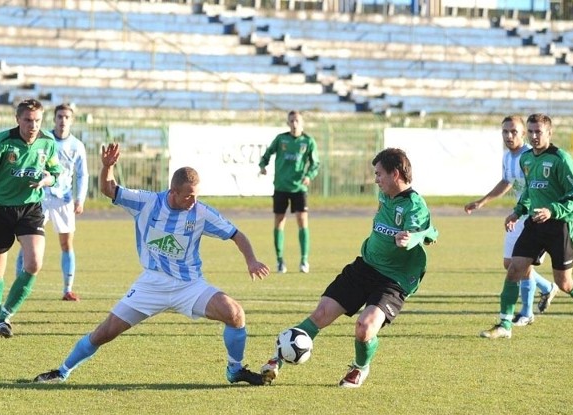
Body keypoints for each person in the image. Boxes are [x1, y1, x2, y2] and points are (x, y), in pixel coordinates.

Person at [33, 143, 270, 385]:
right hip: (151, 284)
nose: (193, 200)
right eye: (188, 195)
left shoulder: (201, 212)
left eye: (196, 194)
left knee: (235, 313)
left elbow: (236, 234)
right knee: (105, 332)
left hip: (189, 286)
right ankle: (62, 371)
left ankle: (235, 369)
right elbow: (109, 188)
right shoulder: (146, 202)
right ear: (173, 191)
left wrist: (251, 260)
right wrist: (107, 167)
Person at [261, 148, 438, 388]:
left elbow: (425, 232)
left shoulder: (414, 205)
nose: (375, 180)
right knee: (321, 314)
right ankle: (277, 359)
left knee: (364, 328)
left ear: (395, 174)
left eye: (379, 174)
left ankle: (360, 367)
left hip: (394, 280)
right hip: (364, 267)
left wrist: (410, 239)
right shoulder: (386, 195)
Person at [480, 114, 573, 339]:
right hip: (535, 224)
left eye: (539, 132)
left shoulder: (561, 159)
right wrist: (517, 212)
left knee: (564, 283)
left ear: (549, 133)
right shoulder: (526, 159)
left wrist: (552, 210)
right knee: (514, 269)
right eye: (531, 131)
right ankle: (505, 325)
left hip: (560, 227)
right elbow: (529, 192)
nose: (534, 136)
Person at [0, 98, 62, 338]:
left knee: (33, 263)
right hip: (0, 209)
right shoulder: (1, 143)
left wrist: (45, 180)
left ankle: (5, 316)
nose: (33, 125)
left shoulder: (47, 143)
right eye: (28, 120)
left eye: (37, 121)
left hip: (30, 208)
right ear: (17, 119)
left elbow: (55, 174)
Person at [465, 115, 558, 326]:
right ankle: (547, 288)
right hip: (518, 215)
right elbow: (507, 181)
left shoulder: (530, 155)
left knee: (520, 265)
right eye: (505, 132)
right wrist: (482, 202)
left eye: (513, 131)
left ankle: (526, 313)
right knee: (510, 264)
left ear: (523, 133)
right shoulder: (508, 156)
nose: (509, 135)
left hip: (533, 216)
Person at [16, 103, 89, 301]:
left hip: (64, 200)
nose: (62, 120)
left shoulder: (77, 146)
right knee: (27, 243)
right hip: (40, 197)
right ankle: (19, 285)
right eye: (59, 117)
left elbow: (83, 174)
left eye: (66, 117)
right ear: (54, 119)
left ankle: (67, 289)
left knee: (66, 244)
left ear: (71, 120)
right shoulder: (44, 138)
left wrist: (79, 199)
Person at [258, 110, 320, 274]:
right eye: (291, 121)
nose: (294, 124)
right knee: (279, 221)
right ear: (288, 123)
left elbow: (315, 163)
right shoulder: (281, 139)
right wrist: (262, 165)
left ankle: (304, 260)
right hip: (281, 187)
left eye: (297, 121)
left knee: (302, 220)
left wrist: (309, 175)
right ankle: (279, 261)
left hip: (299, 188)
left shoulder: (308, 141)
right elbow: (268, 153)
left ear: (302, 123)